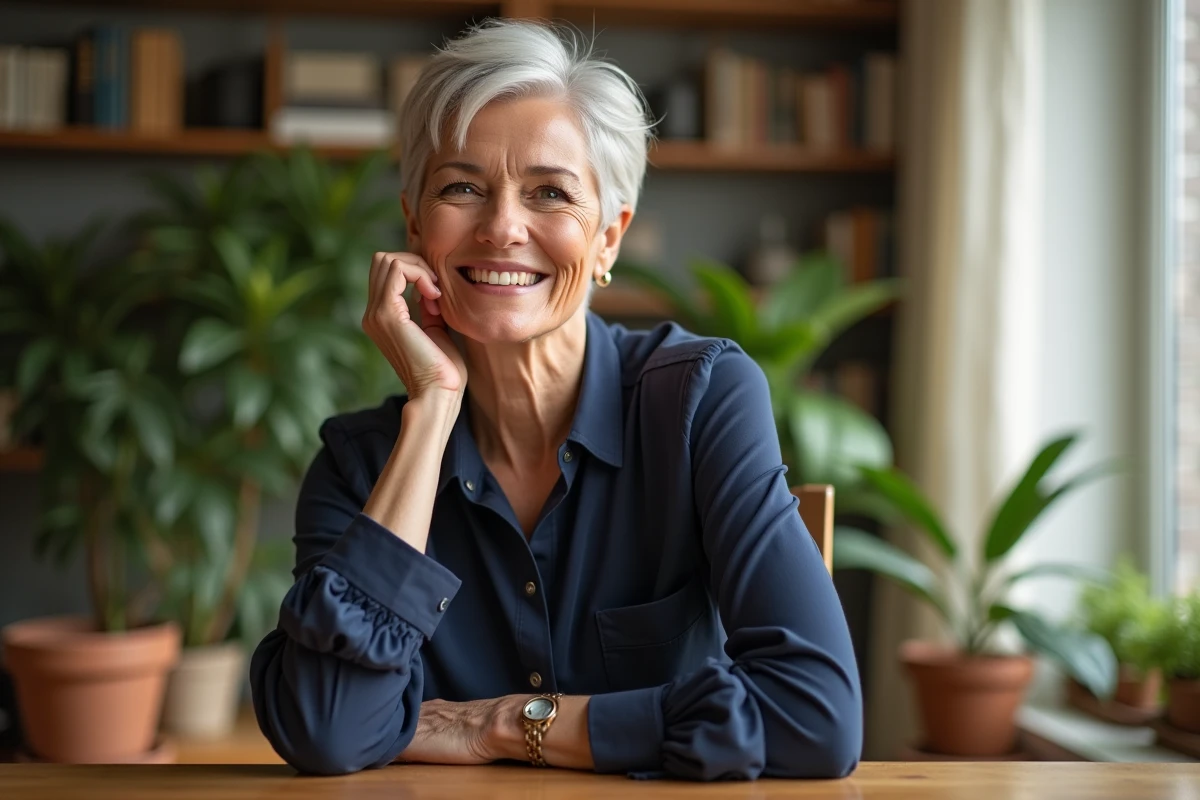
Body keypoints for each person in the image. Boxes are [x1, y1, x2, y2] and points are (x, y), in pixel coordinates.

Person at [249, 18, 861, 780]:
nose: (503, 227)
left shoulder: (698, 401)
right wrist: (434, 407)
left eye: (550, 193)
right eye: (462, 187)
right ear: (414, 225)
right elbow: (330, 731)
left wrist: (503, 724)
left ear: (608, 238)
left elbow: (816, 718)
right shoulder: (361, 464)